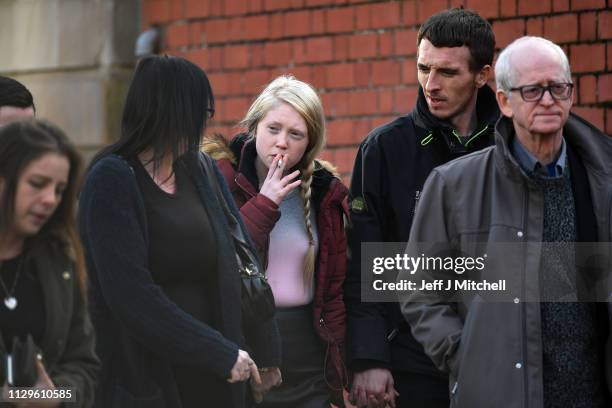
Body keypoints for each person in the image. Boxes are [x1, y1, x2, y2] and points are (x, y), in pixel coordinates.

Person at [400, 36, 612, 407]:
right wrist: (465, 354)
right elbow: (419, 287)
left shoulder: (602, 179)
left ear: (571, 94)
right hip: (499, 394)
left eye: (558, 88)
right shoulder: (454, 184)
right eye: (532, 91)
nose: (548, 100)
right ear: (504, 101)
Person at [78, 55, 281, 408]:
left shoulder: (199, 170)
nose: (204, 125)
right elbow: (130, 295)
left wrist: (265, 351)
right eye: (200, 113)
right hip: (147, 377)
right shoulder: (111, 179)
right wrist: (216, 351)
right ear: (171, 110)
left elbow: (240, 258)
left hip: (218, 376)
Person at [344, 8, 497, 408]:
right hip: (410, 362)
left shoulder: (512, 147)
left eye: (447, 72)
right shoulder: (384, 149)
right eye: (423, 68)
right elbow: (364, 260)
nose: (431, 84)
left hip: (500, 358)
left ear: (482, 75)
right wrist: (370, 357)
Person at [203, 75, 349, 408]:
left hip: (308, 352)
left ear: (309, 144)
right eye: (273, 129)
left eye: (295, 134)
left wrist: (343, 370)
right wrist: (265, 203)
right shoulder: (220, 179)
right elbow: (222, 264)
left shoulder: (325, 191)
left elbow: (336, 288)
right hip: (246, 343)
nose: (282, 142)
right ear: (254, 128)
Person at [0, 120, 99, 407]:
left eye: (59, 190)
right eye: (37, 184)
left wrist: (55, 397)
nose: (49, 200)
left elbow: (84, 368)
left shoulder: (60, 262)